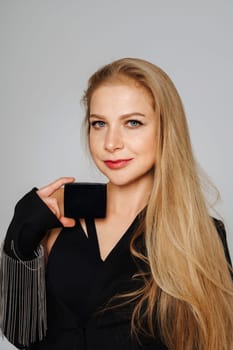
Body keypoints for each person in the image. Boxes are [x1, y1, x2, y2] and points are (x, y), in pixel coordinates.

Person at [0, 57, 233, 350]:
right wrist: (19, 239)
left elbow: (216, 341)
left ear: (165, 130)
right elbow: (20, 334)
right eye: (99, 124)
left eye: (132, 123)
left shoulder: (197, 234)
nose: (111, 142)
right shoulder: (57, 216)